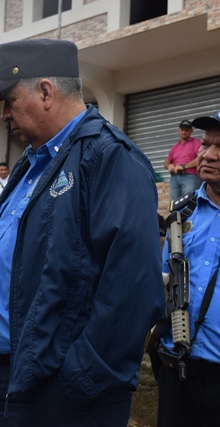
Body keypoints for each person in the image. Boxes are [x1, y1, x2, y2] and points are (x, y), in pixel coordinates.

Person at [0, 38, 164, 426]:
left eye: (9, 101)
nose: (4, 114)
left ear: (45, 92)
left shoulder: (109, 157)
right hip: (11, 379)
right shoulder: (32, 163)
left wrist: (80, 381)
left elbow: (134, 287)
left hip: (62, 393)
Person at [155, 110, 220, 427]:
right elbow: (163, 281)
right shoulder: (182, 213)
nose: (208, 155)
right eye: (206, 144)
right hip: (176, 374)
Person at [164, 119, 202, 201]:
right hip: (174, 178)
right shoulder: (175, 147)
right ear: (179, 130)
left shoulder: (196, 143)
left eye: (187, 130)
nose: (184, 132)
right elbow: (166, 163)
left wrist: (184, 166)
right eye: (182, 129)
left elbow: (201, 158)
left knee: (189, 203)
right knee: (173, 204)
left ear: (191, 131)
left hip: (190, 177)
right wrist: (169, 166)